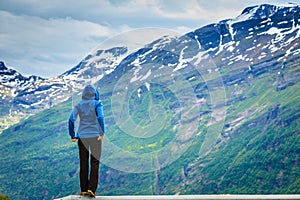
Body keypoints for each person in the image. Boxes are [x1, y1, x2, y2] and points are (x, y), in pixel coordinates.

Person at [68, 84, 105, 198]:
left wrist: (72, 135)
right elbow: (100, 117)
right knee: (95, 163)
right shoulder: (97, 104)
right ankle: (92, 189)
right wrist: (102, 132)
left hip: (82, 137)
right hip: (95, 137)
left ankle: (84, 189)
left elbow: (71, 119)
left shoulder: (79, 105)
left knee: (83, 163)